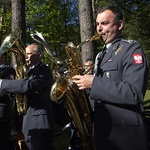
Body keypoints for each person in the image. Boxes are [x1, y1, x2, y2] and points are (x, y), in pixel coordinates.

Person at [73, 6, 150, 150]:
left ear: (120, 25)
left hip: (125, 137)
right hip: (103, 133)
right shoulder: (100, 55)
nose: (99, 29)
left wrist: (94, 83)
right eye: (97, 24)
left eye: (104, 23)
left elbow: (134, 92)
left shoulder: (131, 48)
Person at [0, 43, 55, 150]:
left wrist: (3, 84)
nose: (26, 56)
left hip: (40, 122)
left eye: (29, 54)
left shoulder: (43, 70)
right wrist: (13, 86)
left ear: (39, 55)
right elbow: (21, 90)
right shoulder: (29, 71)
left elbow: (29, 86)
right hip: (29, 121)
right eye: (26, 54)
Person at [0, 52, 16, 150]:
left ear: (3, 57)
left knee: (3, 139)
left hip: (1, 110)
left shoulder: (8, 69)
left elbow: (10, 89)